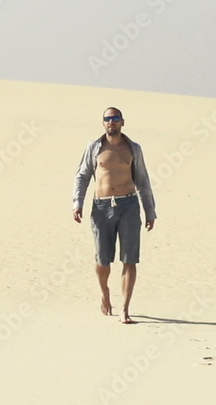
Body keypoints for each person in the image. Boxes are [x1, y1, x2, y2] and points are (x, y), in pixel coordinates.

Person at [72, 107, 157, 324]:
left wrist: (150, 211)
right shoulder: (94, 148)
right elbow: (82, 176)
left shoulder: (133, 148)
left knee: (130, 259)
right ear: (103, 123)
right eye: (108, 119)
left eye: (116, 118)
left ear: (122, 122)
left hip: (128, 205)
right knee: (102, 260)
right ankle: (105, 293)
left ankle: (125, 309)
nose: (112, 122)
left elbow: (142, 180)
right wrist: (77, 202)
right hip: (101, 208)